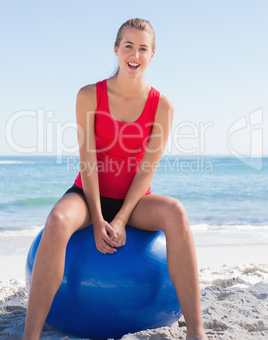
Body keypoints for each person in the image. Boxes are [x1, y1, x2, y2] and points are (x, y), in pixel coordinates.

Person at [23, 18, 208, 340]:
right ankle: (30, 335)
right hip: (87, 195)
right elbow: (88, 162)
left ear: (152, 55)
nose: (134, 54)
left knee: (176, 211)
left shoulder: (162, 105)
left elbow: (147, 169)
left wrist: (121, 218)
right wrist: (97, 219)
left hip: (134, 203)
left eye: (142, 48)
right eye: (128, 46)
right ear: (116, 49)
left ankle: (197, 330)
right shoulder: (89, 95)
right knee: (56, 220)